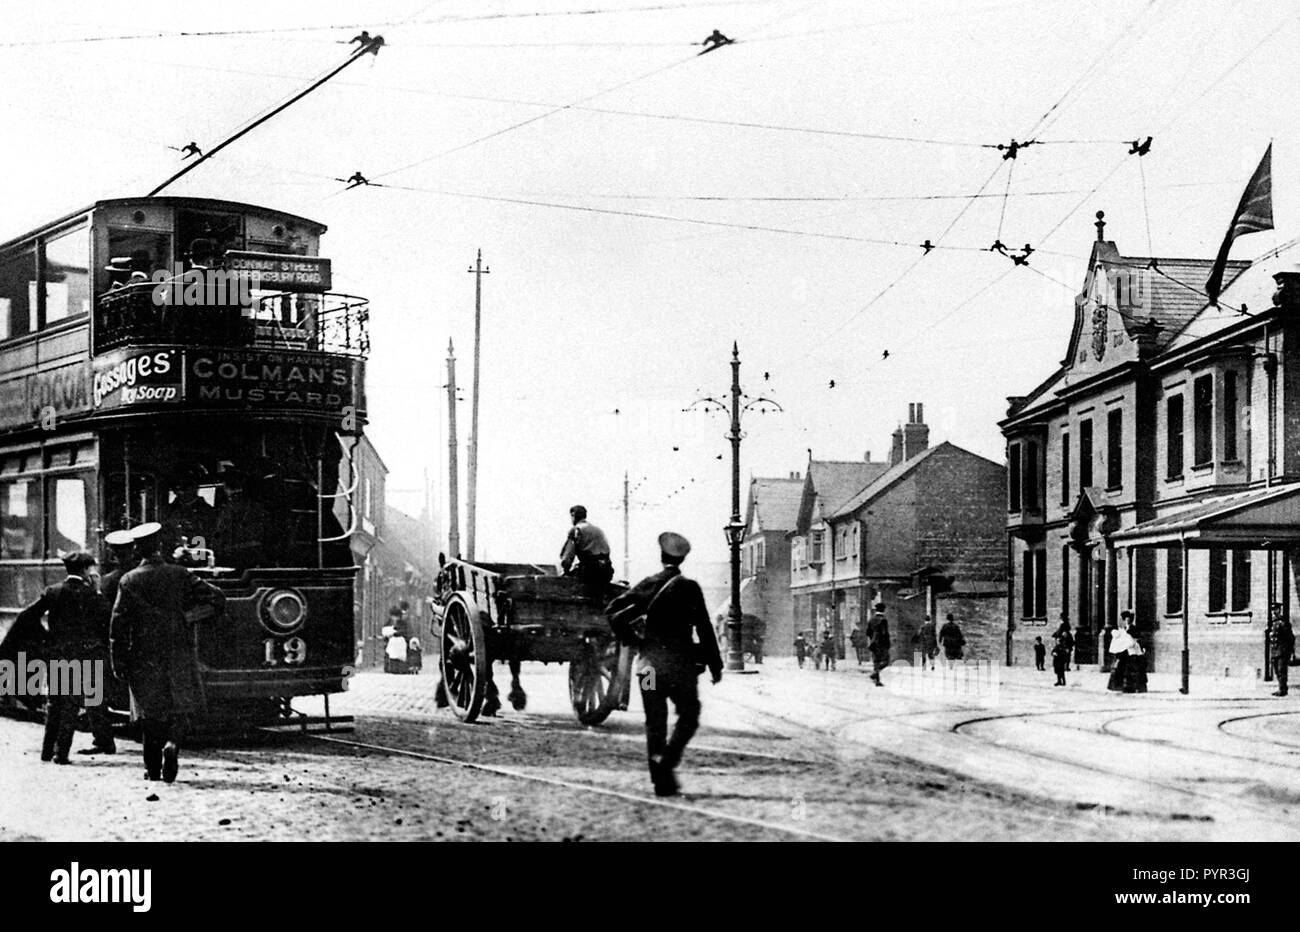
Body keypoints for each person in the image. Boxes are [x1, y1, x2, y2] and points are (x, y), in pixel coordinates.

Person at [604, 531, 723, 797]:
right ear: (682, 559)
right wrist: (715, 665)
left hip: (647, 668)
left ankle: (659, 779)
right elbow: (704, 628)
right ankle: (667, 762)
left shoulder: (648, 584)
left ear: (661, 556)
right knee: (689, 715)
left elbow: (613, 613)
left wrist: (633, 639)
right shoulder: (690, 588)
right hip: (681, 668)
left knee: (654, 720)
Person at [109, 522, 225, 783]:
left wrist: (118, 660)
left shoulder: (129, 580)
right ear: (160, 546)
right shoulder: (180, 573)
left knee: (150, 714)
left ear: (137, 549)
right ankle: (173, 743)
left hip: (143, 655)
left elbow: (118, 625)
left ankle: (152, 770)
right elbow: (217, 599)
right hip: (179, 650)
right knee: (181, 706)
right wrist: (188, 617)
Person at [14, 552, 115, 763]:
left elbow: (26, 616)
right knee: (71, 705)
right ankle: (61, 754)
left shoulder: (54, 591)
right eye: (91, 569)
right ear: (86, 570)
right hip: (83, 657)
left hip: (58, 655)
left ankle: (46, 751)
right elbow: (107, 618)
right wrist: (97, 592)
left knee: (54, 703)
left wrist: (47, 639)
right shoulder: (91, 594)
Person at [559, 505, 614, 601]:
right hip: (607, 571)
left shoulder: (576, 530)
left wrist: (565, 572)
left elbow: (567, 557)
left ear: (573, 515)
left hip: (591, 572)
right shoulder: (598, 530)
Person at [1269, 608, 1295, 697]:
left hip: (1282, 651)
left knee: (1281, 670)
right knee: (1276, 670)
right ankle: (1281, 688)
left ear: (1279, 611)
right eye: (1272, 610)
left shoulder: (1283, 623)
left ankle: (1283, 689)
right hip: (1275, 650)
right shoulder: (1273, 623)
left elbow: (1290, 638)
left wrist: (1290, 651)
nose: (1273, 612)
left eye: (1275, 610)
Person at [865, 602, 891, 686]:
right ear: (883, 610)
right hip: (882, 644)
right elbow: (884, 633)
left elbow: (868, 632)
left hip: (873, 643)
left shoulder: (871, 620)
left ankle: (877, 680)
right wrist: (887, 643)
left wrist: (872, 639)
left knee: (876, 661)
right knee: (886, 660)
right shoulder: (883, 620)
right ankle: (875, 673)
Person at [1051, 619, 1074, 687]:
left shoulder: (1067, 635)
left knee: (1061, 670)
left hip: (1062, 656)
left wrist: (1068, 648)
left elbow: (1071, 642)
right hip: (1058, 658)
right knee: (1058, 671)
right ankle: (1060, 681)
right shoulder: (1060, 635)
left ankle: (1063, 680)